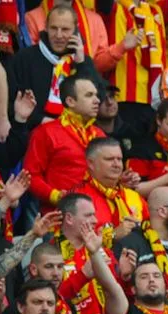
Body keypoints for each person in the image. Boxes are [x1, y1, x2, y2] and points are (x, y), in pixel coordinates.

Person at [22, 74, 104, 212]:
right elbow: (30, 176)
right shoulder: (45, 132)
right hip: (59, 216)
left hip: (97, 215)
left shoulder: (99, 135)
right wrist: (55, 196)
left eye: (96, 95)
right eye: (89, 95)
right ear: (71, 101)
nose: (97, 100)